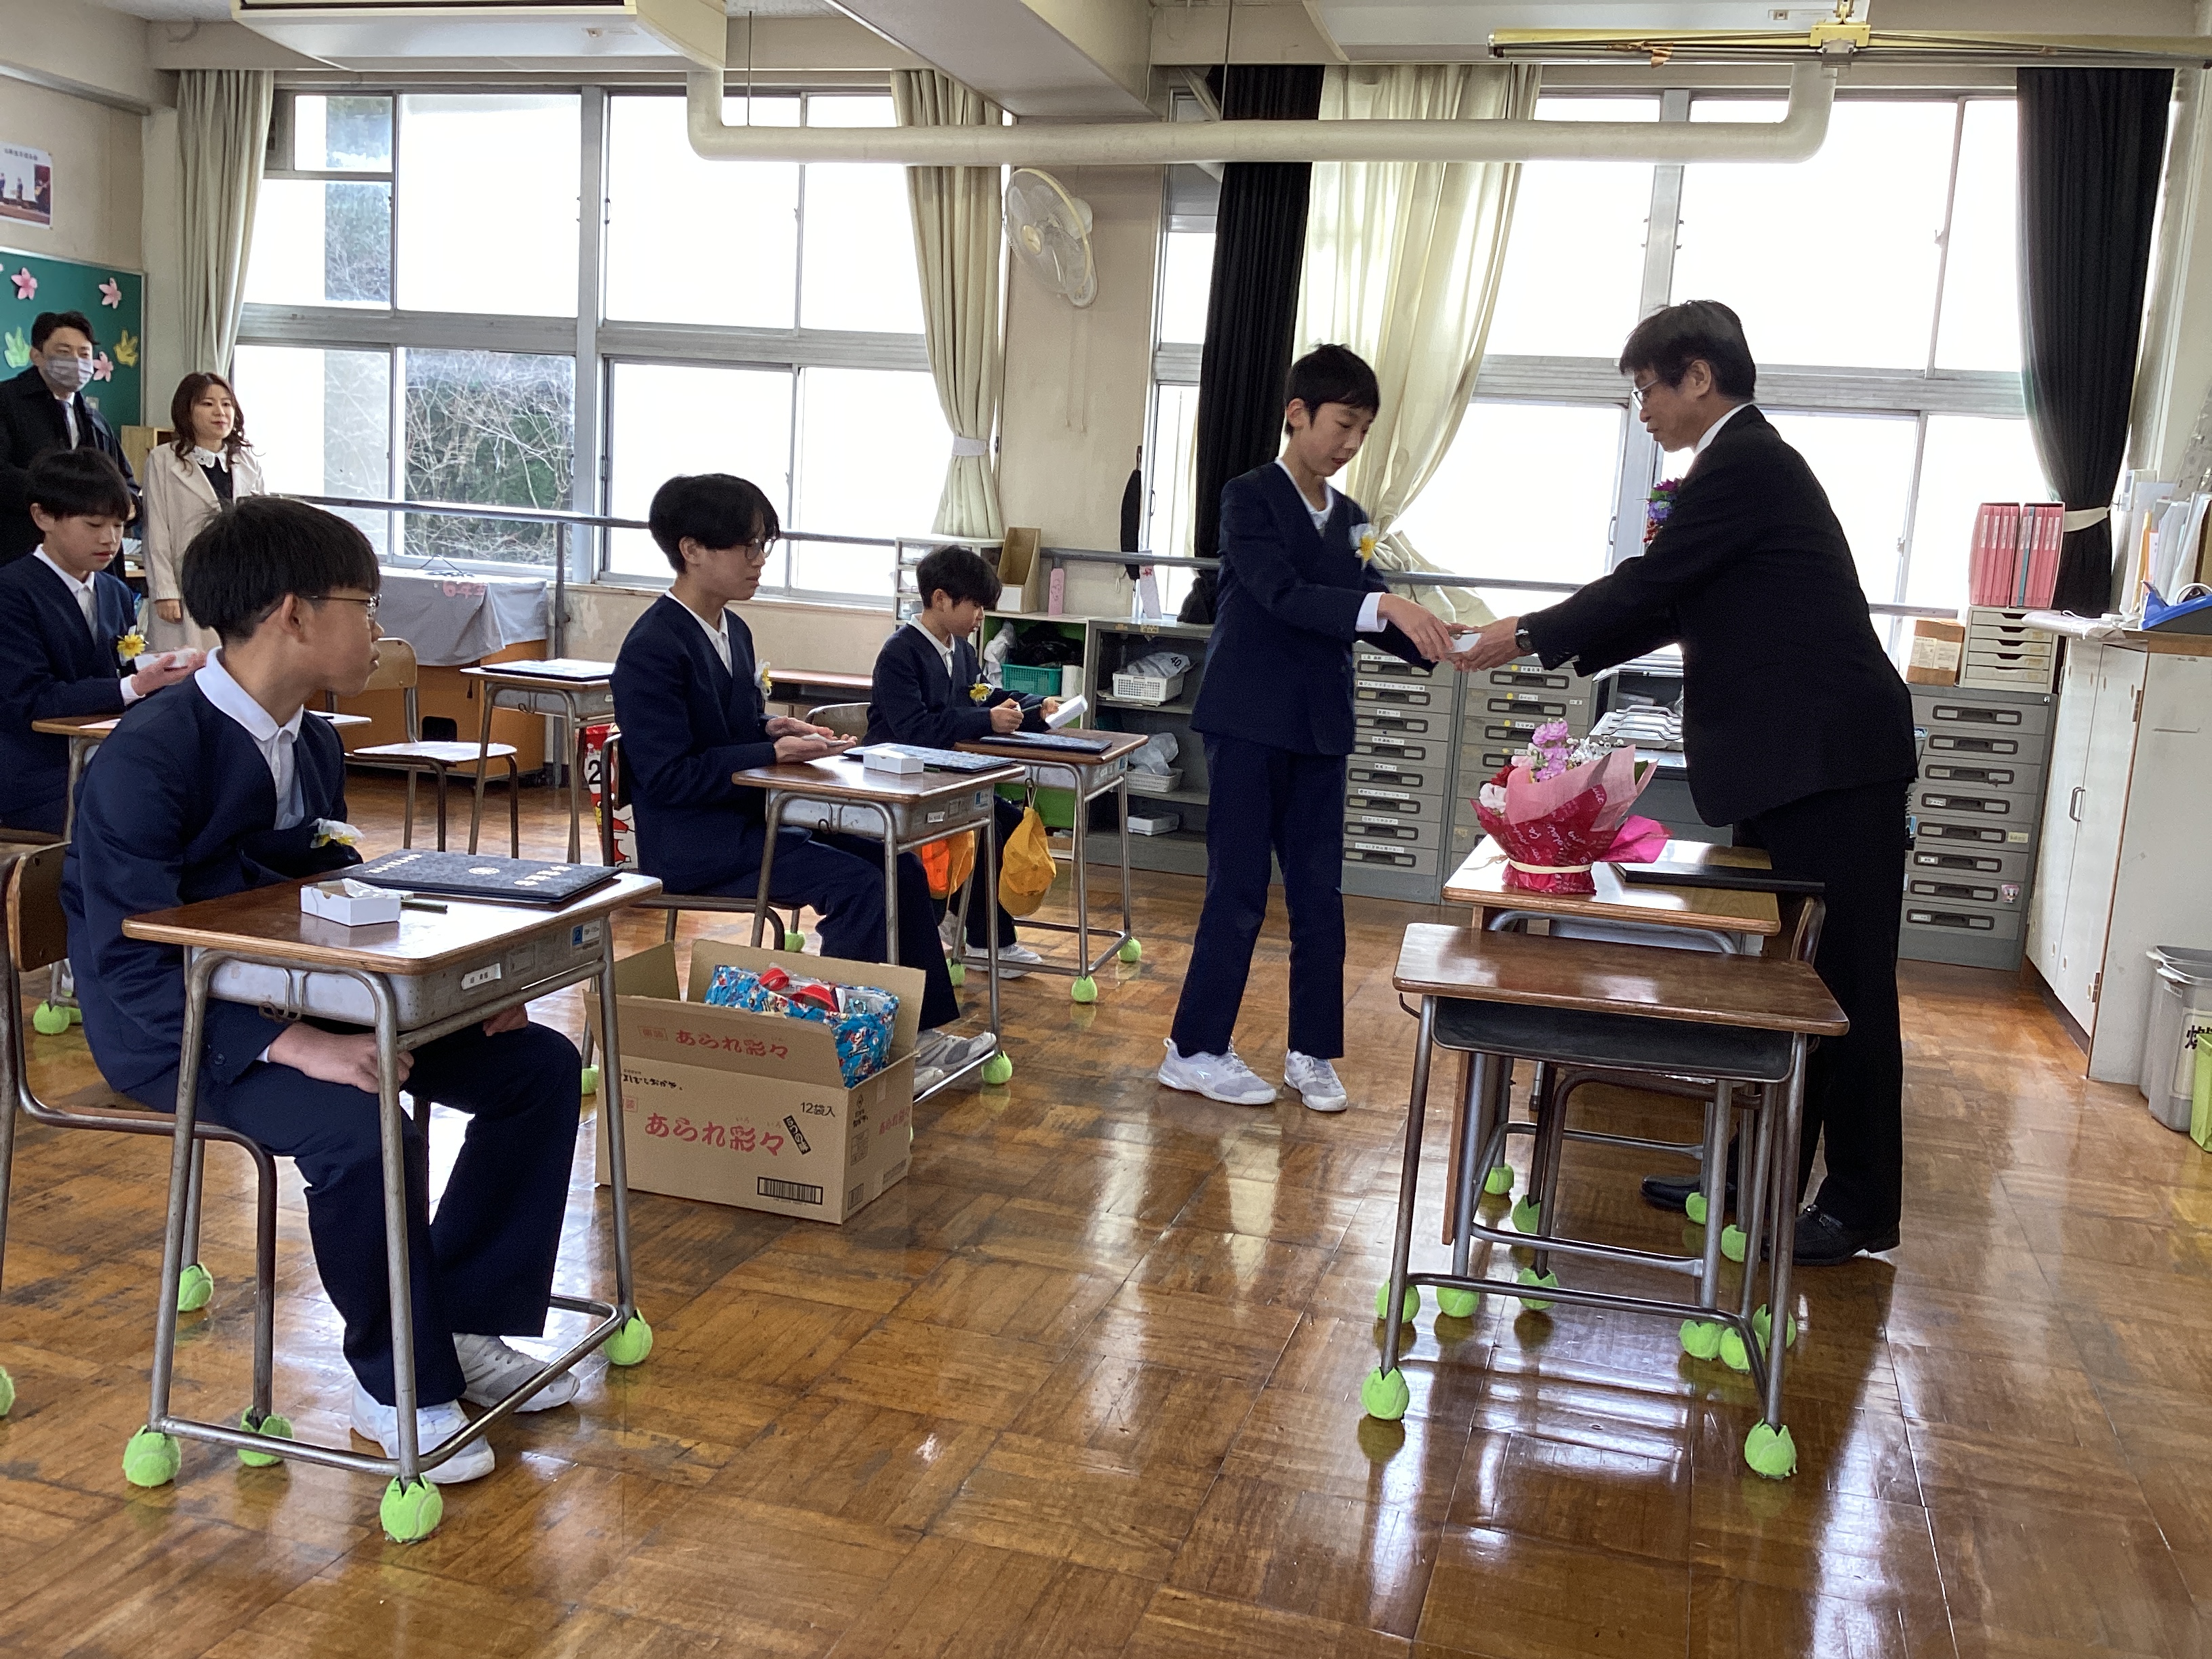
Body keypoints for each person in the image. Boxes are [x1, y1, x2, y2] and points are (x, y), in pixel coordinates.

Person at [63, 497, 588, 1483]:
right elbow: (131, 964)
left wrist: (463, 995)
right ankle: (392, 1382)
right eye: (366, 604)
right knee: (359, 1123)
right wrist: (298, 1045)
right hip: (180, 1032)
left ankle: (461, 1318)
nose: (380, 628)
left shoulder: (309, 738)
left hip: (307, 996)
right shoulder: (152, 753)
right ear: (295, 614)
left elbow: (328, 890)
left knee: (537, 1067)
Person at [1455, 300, 1918, 1267]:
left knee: (1844, 987)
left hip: (1832, 764)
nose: (1644, 411)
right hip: (1788, 765)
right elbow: (1669, 602)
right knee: (1784, 984)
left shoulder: (1747, 465)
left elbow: (1649, 584)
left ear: (1698, 376)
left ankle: (1861, 1204)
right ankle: (1749, 1181)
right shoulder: (1737, 468)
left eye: (1647, 389)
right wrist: (1545, 643)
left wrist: (1523, 634)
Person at [610, 473, 998, 1090]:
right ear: (692, 549)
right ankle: (837, 1047)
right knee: (859, 885)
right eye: (747, 546)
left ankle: (916, 1035)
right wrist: (771, 751)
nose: (759, 560)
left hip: (750, 820)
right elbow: (668, 774)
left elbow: (725, 729)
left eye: (763, 545)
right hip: (694, 842)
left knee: (895, 863)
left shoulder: (732, 630)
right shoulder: (653, 647)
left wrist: (772, 727)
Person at [1158, 344, 1462, 1113]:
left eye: (1363, 431)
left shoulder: (1353, 519)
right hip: (1249, 719)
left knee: (1320, 897)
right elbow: (1282, 595)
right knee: (1238, 890)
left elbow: (1370, 601)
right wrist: (1386, 606)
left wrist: (1445, 643)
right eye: (1343, 424)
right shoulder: (1247, 498)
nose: (1351, 443)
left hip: (1321, 727)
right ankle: (1193, 1049)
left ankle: (1312, 1052)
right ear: (1298, 414)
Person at [864, 544, 1058, 978]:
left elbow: (984, 697)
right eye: (975, 606)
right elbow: (915, 730)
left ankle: (971, 924)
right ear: (940, 599)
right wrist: (986, 719)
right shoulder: (899, 654)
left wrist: (1034, 707)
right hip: (898, 781)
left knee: (1006, 820)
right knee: (988, 824)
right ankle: (986, 940)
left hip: (942, 776)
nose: (980, 617)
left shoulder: (963, 651)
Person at [0, 451, 198, 832]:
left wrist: (165, 669)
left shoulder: (114, 591)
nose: (110, 539)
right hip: (36, 776)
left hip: (106, 758)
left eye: (119, 526)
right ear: (43, 517)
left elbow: (120, 668)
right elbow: (28, 699)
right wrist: (133, 686)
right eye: (93, 524)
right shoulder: (12, 591)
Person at [0, 310, 140, 565]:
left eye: (84, 354)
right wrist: (69, 495)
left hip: (94, 565)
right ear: (37, 356)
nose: (76, 361)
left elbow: (126, 481)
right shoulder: (7, 402)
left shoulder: (95, 419)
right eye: (64, 352)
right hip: (22, 553)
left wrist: (128, 504)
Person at [143, 371, 264, 654]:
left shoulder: (247, 462)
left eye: (227, 404)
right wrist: (164, 591)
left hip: (238, 581)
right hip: (186, 581)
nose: (220, 412)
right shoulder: (163, 459)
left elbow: (260, 530)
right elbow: (156, 529)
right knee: (186, 665)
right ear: (187, 410)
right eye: (207, 404)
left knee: (235, 661)